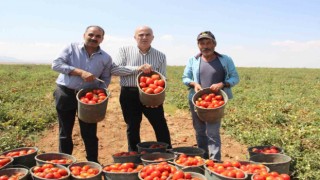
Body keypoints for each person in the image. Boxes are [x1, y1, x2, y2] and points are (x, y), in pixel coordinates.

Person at [52, 25, 113, 163]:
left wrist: (100, 94)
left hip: (88, 97)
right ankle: (64, 162)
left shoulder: (106, 58)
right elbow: (56, 64)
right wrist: (79, 72)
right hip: (66, 92)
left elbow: (105, 78)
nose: (94, 38)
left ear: (102, 39)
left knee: (90, 132)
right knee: (65, 132)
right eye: (91, 34)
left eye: (98, 36)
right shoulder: (71, 48)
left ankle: (93, 162)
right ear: (84, 35)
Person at [111, 25, 172, 151]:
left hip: (151, 93)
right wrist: (137, 68)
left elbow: (162, 78)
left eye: (147, 35)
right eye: (141, 35)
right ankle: (134, 154)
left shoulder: (160, 56)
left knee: (160, 124)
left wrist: (157, 98)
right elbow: (115, 69)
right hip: (129, 93)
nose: (144, 37)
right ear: (135, 37)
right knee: (132, 126)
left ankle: (167, 152)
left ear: (152, 37)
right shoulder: (124, 51)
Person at [182, 31, 240, 160]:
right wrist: (193, 84)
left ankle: (215, 161)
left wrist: (223, 84)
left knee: (213, 132)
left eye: (208, 43)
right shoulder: (193, 60)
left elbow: (235, 77)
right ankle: (203, 158)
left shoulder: (225, 60)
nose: (205, 46)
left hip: (217, 101)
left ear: (214, 44)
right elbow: (185, 77)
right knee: (200, 130)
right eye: (202, 43)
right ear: (198, 45)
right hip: (197, 100)